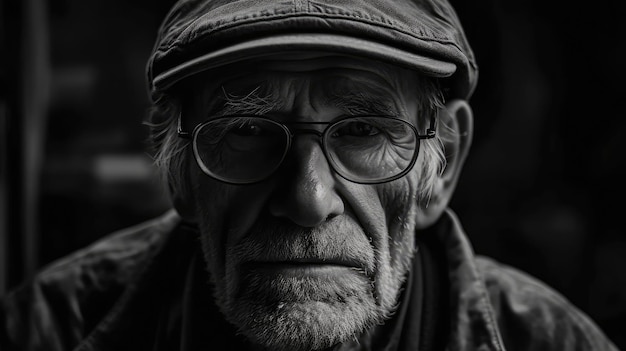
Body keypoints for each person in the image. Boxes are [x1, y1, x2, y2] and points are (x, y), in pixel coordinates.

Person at [0, 0, 620, 350]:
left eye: (362, 131)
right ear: (181, 174)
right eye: (244, 131)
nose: (307, 198)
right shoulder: (50, 331)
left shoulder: (547, 340)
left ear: (444, 163)